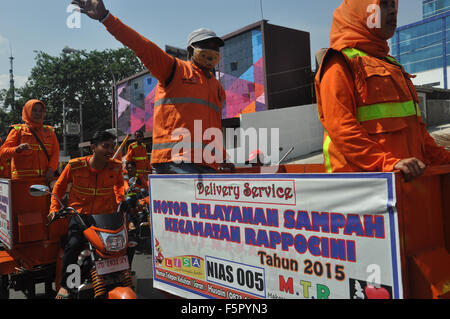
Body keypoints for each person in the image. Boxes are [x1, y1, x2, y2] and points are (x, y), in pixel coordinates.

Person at [71, 0, 234, 174]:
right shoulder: (175, 68)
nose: (212, 50)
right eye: (205, 46)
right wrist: (106, 18)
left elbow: (213, 127)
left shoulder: (217, 87)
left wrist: (222, 157)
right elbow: (141, 45)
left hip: (207, 164)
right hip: (175, 161)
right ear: (190, 49)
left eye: (215, 47)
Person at [315, 0, 450, 182]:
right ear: (361, 10)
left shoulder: (393, 66)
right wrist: (386, 163)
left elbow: (418, 134)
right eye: (384, 4)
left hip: (402, 187)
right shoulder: (340, 62)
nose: (393, 11)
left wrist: (444, 158)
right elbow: (341, 128)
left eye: (393, 5)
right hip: (363, 192)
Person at [49, 130, 125, 299]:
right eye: (105, 146)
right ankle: (66, 286)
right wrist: (54, 209)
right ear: (93, 147)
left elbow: (120, 185)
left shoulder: (116, 166)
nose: (110, 151)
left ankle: (119, 278)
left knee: (122, 246)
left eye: (112, 147)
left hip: (105, 218)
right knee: (73, 245)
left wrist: (121, 199)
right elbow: (59, 187)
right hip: (80, 217)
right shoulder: (75, 165)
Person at [0, 99, 59, 184]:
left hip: (45, 180)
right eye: (34, 110)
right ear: (27, 111)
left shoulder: (49, 131)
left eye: (41, 111)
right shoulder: (18, 130)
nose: (38, 113)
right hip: (22, 183)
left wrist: (51, 169)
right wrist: (17, 149)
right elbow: (2, 153)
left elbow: (55, 153)